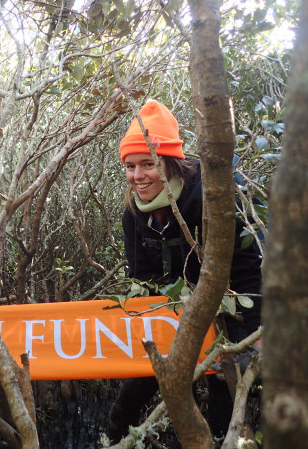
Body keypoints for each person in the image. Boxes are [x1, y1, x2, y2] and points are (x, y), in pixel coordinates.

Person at [107, 100, 263, 442]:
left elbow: (251, 273)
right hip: (173, 320)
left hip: (230, 318)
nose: (137, 176)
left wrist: (250, 336)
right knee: (124, 408)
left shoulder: (215, 196)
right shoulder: (134, 212)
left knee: (225, 412)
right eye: (130, 166)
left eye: (148, 164)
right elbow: (143, 282)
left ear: (171, 163)